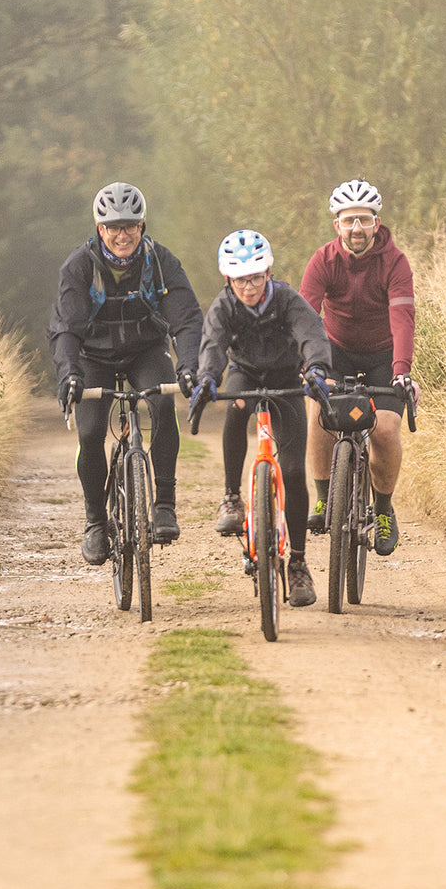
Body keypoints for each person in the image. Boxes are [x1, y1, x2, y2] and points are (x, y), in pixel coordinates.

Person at [48, 181, 203, 566]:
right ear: (100, 229)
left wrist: (189, 366)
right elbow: (66, 326)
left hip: (144, 351)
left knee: (163, 406)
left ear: (142, 226)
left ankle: (164, 503)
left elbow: (186, 319)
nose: (122, 235)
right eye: (113, 227)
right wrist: (69, 373)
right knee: (90, 433)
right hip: (92, 356)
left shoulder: (161, 261)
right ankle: (95, 522)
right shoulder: (79, 266)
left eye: (130, 225)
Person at [191, 230, 332, 608]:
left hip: (287, 379)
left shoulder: (287, 299)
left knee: (292, 471)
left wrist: (316, 368)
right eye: (240, 279)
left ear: (268, 273)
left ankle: (298, 563)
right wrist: (207, 377)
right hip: (246, 373)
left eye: (255, 277)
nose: (248, 287)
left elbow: (312, 334)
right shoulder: (224, 306)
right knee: (235, 410)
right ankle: (232, 498)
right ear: (228, 280)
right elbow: (213, 344)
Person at [299, 178, 416, 555]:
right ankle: (322, 496)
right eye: (349, 220)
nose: (357, 228)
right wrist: (309, 365)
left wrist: (401, 370)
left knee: (384, 428)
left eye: (364, 220)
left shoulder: (395, 263)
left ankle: (383, 509)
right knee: (318, 408)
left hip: (384, 355)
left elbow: (403, 318)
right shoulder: (323, 261)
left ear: (376, 223)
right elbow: (305, 317)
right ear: (337, 225)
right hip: (336, 350)